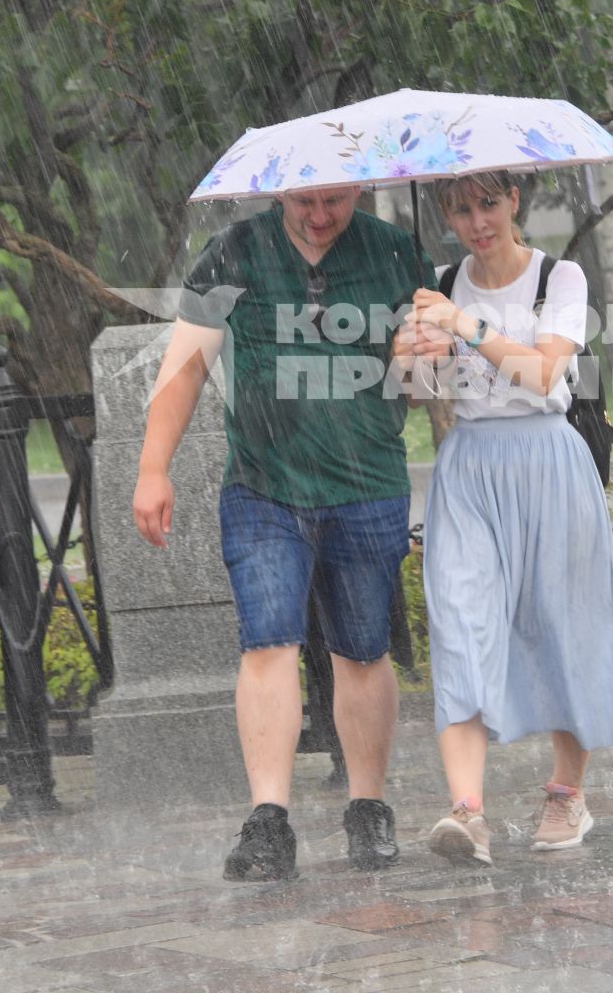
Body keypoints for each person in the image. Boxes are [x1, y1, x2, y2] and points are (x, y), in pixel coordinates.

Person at [133, 185, 436, 881]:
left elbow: (421, 392)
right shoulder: (233, 253)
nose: (321, 214)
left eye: (335, 200)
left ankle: (369, 807)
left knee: (363, 648)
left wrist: (423, 354)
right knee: (266, 638)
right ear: (279, 192)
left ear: (358, 190)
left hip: (367, 484)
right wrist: (154, 468)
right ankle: (268, 819)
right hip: (263, 487)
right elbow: (184, 367)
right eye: (306, 201)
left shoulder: (399, 254)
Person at [399, 171, 613, 867]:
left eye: (489, 204)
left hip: (549, 465)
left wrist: (466, 326)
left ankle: (567, 794)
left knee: (566, 625)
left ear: (514, 203)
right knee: (460, 620)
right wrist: (418, 355)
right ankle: (467, 812)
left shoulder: (557, 279)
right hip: (470, 469)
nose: (477, 221)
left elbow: (542, 375)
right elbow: (420, 397)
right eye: (461, 208)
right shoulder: (440, 283)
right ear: (445, 212)